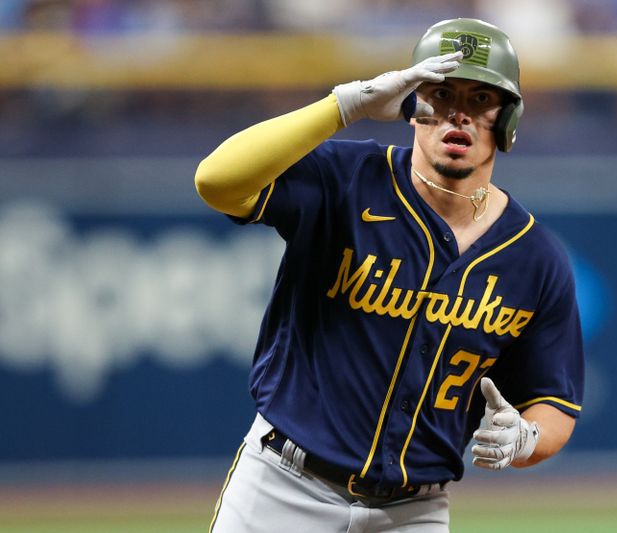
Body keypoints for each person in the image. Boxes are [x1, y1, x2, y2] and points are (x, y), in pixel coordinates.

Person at [195, 17, 584, 533]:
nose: (458, 116)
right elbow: (217, 182)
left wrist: (526, 439)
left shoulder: (535, 258)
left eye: (479, 100)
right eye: (441, 95)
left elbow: (554, 405)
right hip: (284, 486)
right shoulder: (347, 179)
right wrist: (344, 105)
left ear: (507, 119)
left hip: (414, 512)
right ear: (411, 103)